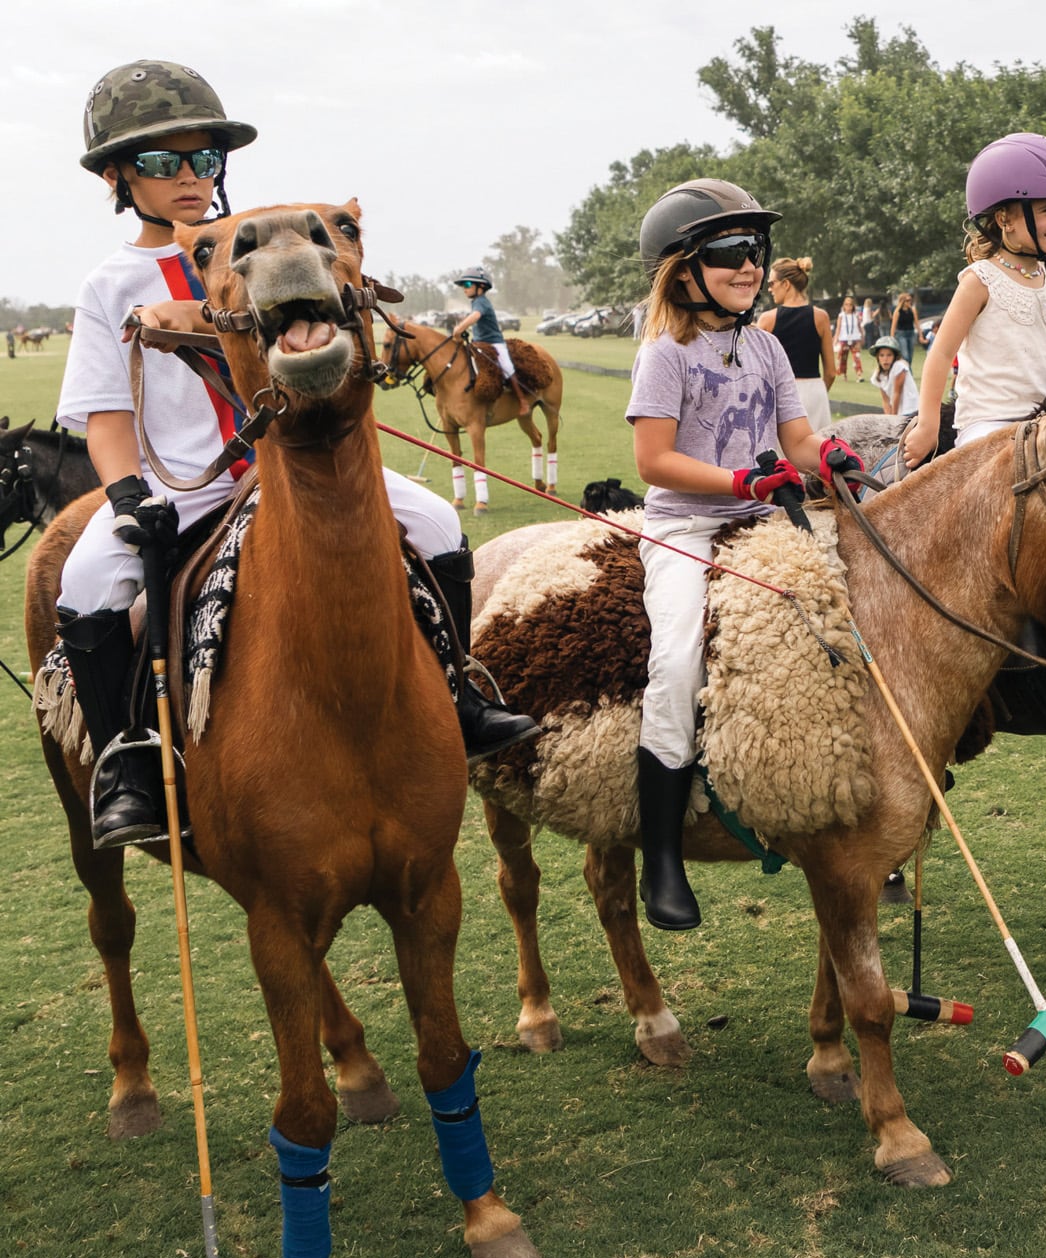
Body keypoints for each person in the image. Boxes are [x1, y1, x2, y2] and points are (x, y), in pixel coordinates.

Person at [56, 60, 535, 849]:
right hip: (184, 489)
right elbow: (105, 416)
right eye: (159, 162)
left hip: (296, 463)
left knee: (440, 521)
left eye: (203, 159)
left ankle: (457, 690)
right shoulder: (109, 285)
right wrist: (124, 494)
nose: (188, 177)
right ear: (117, 175)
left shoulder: (265, 249)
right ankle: (129, 757)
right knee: (85, 579)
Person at [628, 178, 863, 931]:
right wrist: (736, 477)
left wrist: (831, 456)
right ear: (684, 269)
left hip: (762, 517)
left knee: (859, 605)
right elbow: (653, 461)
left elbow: (796, 441)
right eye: (731, 251)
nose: (751, 266)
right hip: (686, 528)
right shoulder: (665, 354)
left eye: (755, 251)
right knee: (675, 661)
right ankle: (661, 853)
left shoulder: (763, 344)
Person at [905, 132, 1046, 467]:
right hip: (988, 426)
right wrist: (927, 425)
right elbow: (939, 355)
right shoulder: (979, 281)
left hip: (1044, 423)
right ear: (1004, 219)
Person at [755, 255, 838, 432]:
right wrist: (818, 393)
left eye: (771, 283)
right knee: (817, 454)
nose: (769, 289)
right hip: (815, 392)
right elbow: (830, 372)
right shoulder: (821, 317)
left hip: (781, 393)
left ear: (785, 284)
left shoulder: (767, 320)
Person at [449, 266, 532, 419]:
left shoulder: (482, 302)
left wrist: (460, 328)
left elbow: (474, 317)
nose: (464, 289)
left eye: (467, 285)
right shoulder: (475, 301)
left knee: (507, 367)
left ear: (481, 287)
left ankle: (523, 401)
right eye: (463, 286)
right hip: (478, 344)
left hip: (494, 343)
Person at [868, 336, 919, 415]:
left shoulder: (899, 367)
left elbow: (897, 393)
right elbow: (885, 400)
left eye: (889, 355)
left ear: (895, 356)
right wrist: (888, 417)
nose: (885, 359)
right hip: (898, 410)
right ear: (877, 357)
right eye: (882, 355)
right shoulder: (878, 375)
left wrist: (893, 417)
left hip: (911, 409)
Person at [834, 296, 863, 380]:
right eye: (846, 305)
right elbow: (838, 328)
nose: (848, 307)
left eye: (850, 305)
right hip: (844, 339)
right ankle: (844, 374)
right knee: (843, 357)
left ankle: (859, 374)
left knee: (856, 357)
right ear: (844, 306)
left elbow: (859, 327)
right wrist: (836, 339)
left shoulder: (856, 315)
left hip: (855, 339)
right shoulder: (841, 316)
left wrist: (862, 336)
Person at [890, 291, 919, 365]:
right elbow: (893, 326)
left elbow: (916, 323)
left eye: (910, 300)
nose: (909, 302)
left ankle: (907, 371)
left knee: (910, 355)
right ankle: (908, 373)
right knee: (905, 355)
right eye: (907, 300)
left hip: (911, 333)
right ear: (902, 301)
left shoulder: (912, 310)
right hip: (901, 334)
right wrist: (892, 337)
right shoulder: (897, 312)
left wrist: (920, 334)